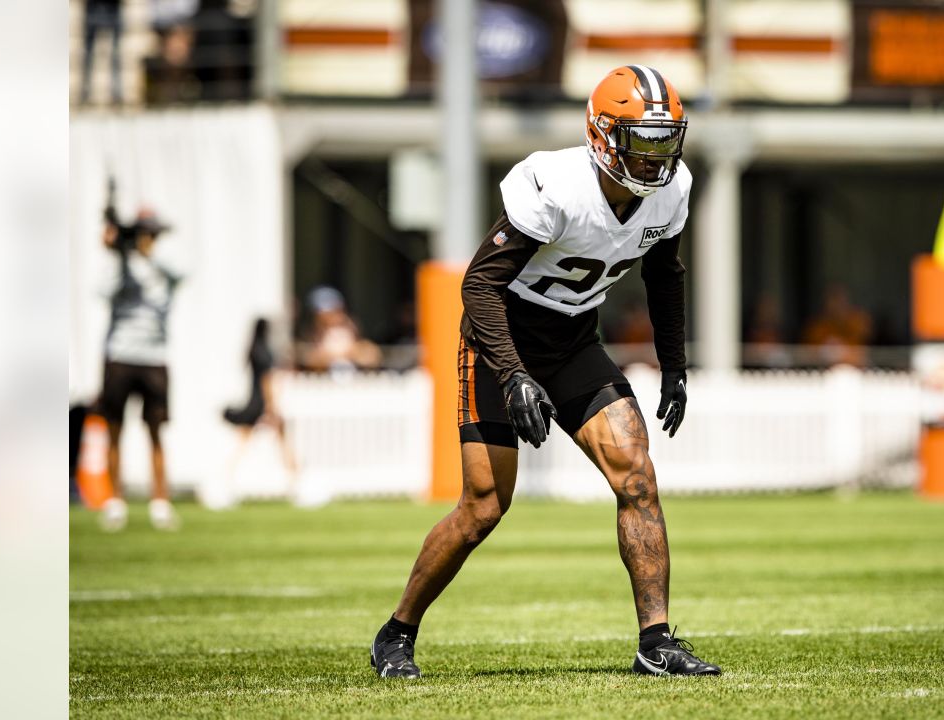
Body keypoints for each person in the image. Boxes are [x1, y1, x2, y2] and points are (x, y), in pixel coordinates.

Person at [370, 66, 721, 679]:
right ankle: (396, 632)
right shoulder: (556, 185)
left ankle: (656, 641)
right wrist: (511, 374)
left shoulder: (671, 190)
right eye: (642, 142)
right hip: (498, 337)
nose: (655, 159)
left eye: (665, 142)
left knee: (636, 476)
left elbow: (665, 274)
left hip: (573, 340)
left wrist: (675, 365)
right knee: (483, 507)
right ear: (604, 137)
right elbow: (479, 285)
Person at [97, 207, 184, 532]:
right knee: (114, 430)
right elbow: (101, 291)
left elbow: (182, 274)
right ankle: (114, 501)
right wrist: (119, 255)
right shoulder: (119, 264)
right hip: (119, 355)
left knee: (156, 430)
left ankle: (160, 501)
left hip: (155, 358)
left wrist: (145, 254)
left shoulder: (163, 263)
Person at [222, 318, 297, 482]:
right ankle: (294, 477)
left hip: (253, 401)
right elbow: (266, 380)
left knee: (245, 441)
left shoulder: (253, 350)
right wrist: (271, 405)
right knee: (281, 439)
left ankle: (227, 475)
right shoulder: (264, 352)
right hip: (261, 402)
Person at [300, 286, 383, 373]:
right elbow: (308, 359)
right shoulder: (309, 334)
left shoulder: (349, 328)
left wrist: (349, 352)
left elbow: (372, 356)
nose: (332, 318)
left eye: (334, 312)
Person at [801, 285, 872, 367]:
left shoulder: (858, 321)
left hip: (855, 370)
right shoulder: (817, 327)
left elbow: (865, 353)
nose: (836, 305)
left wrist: (842, 353)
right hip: (824, 372)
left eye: (840, 300)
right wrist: (825, 353)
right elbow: (806, 355)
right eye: (833, 301)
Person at [80, 0, 124, 106]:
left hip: (113, 10)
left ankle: (116, 93)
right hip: (93, 9)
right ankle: (85, 93)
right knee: (88, 55)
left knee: (115, 55)